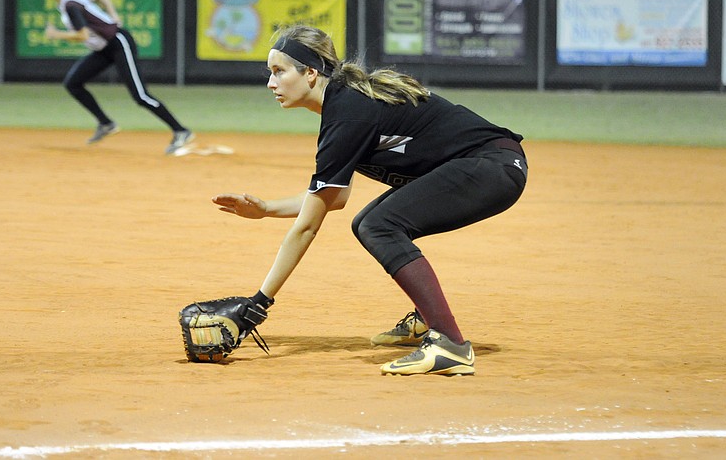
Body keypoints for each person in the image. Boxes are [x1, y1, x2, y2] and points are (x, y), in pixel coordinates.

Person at [212, 24, 528, 376]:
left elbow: (307, 228)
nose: (271, 83)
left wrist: (259, 303)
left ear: (311, 74)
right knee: (367, 223)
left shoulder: (348, 113)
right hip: (486, 166)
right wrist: (267, 209)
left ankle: (449, 344)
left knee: (381, 224)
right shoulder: (343, 108)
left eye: (279, 71)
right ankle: (427, 318)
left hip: (491, 167)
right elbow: (334, 197)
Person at [38, 0, 194, 155]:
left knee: (140, 96)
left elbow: (83, 35)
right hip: (104, 49)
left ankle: (181, 130)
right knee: (73, 82)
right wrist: (113, 14)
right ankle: (106, 123)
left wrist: (56, 34)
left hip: (119, 43)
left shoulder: (70, 4)